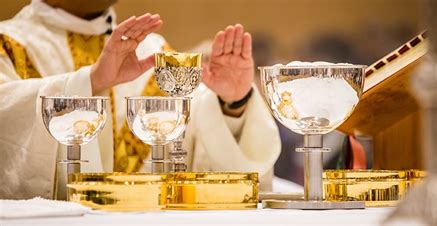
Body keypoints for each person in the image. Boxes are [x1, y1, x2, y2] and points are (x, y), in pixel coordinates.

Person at [0, 0, 281, 199]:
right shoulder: (8, 42)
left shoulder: (152, 51)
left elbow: (199, 143)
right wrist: (92, 81)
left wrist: (232, 102)